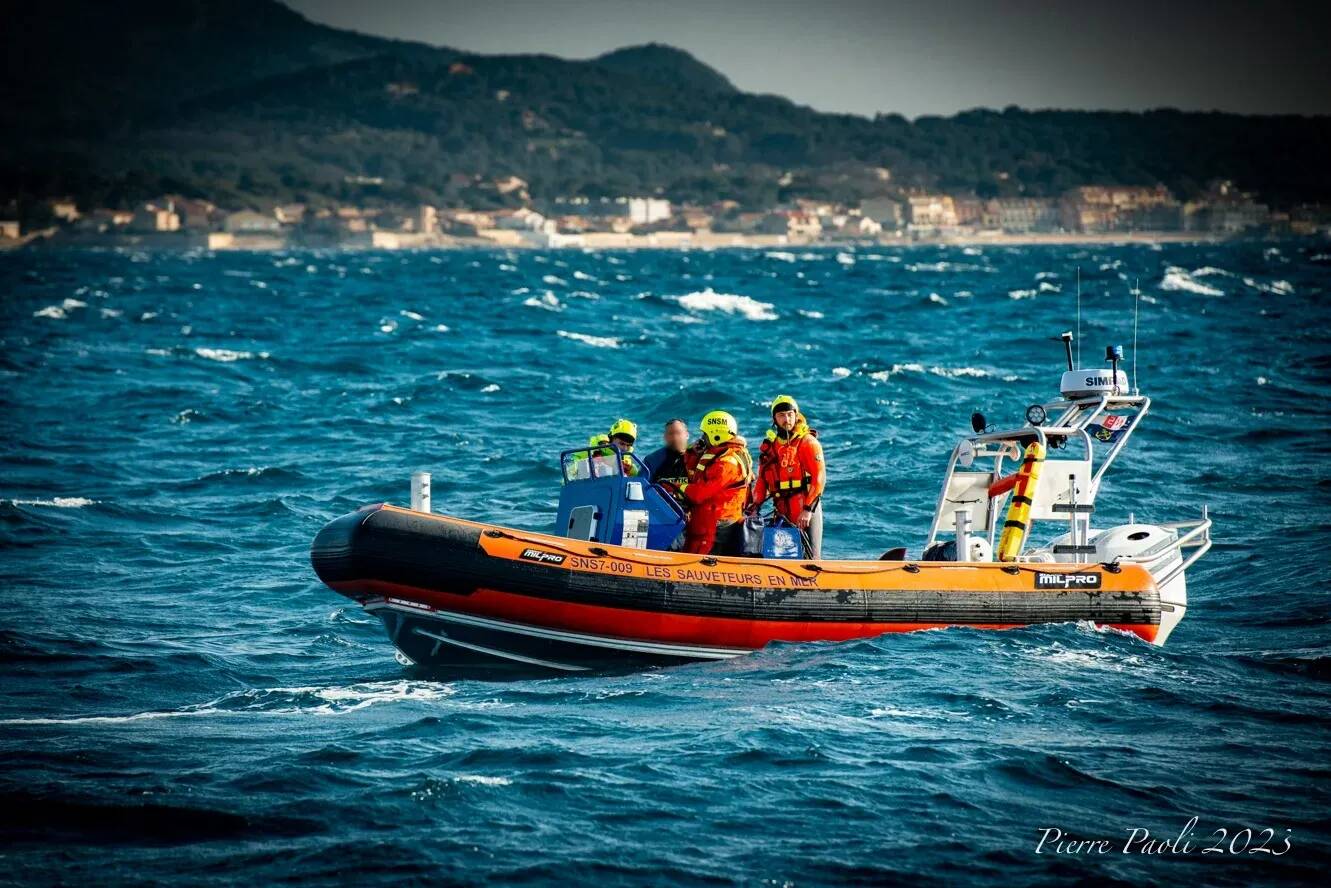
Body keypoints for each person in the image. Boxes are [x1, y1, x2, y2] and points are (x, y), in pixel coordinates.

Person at [750, 394, 825, 557]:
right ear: (774, 419)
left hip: (806, 509)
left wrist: (807, 510)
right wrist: (755, 506)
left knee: (811, 557)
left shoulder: (807, 443)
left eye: (790, 414)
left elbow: (819, 478)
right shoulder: (770, 448)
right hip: (782, 510)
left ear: (796, 415)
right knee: (783, 556)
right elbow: (762, 481)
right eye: (781, 415)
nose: (787, 419)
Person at [682, 410, 753, 555]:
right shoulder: (720, 454)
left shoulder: (727, 463)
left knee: (701, 556)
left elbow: (700, 493)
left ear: (716, 435)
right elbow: (694, 474)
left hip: (718, 522)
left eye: (705, 435)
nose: (702, 438)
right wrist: (693, 452)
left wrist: (679, 487)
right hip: (710, 517)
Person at [643, 418, 690, 504]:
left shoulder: (697, 458)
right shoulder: (653, 460)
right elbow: (642, 489)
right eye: (671, 434)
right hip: (662, 510)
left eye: (678, 433)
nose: (675, 438)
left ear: (687, 435)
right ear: (665, 437)